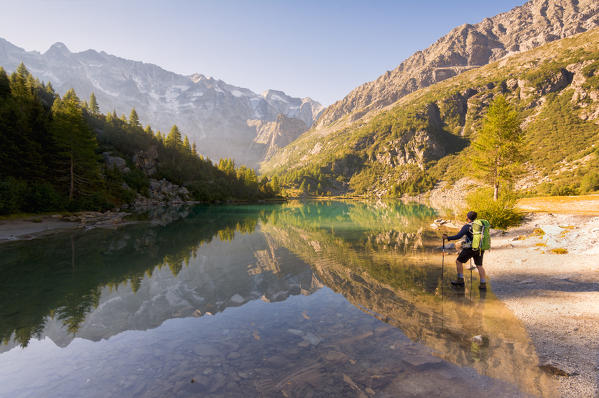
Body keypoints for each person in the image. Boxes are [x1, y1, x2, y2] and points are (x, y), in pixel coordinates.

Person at [442, 211, 488, 290]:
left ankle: (460, 281)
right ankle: (483, 284)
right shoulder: (480, 225)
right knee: (479, 266)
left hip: (470, 248)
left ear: (468, 218)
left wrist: (447, 238)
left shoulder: (467, 226)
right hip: (480, 248)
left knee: (458, 262)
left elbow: (458, 236)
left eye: (467, 216)